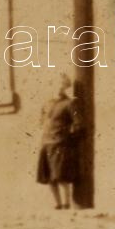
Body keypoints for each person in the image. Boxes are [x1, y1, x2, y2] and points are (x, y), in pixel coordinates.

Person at [36, 73, 83, 210]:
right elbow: (41, 121)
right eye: (56, 84)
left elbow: (78, 124)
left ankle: (66, 204)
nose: (59, 87)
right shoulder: (47, 104)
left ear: (66, 87)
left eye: (62, 85)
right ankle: (57, 204)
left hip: (61, 144)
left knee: (61, 176)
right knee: (49, 177)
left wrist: (68, 139)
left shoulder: (70, 104)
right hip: (46, 143)